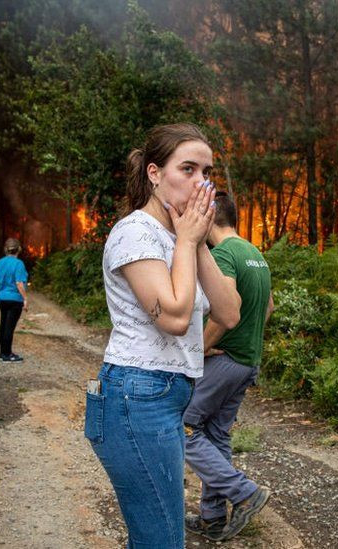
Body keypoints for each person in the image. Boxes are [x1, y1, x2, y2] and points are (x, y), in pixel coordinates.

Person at [84, 123, 241, 548]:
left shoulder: (181, 236)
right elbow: (172, 317)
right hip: (136, 395)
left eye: (205, 172)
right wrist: (187, 242)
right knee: (163, 541)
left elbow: (229, 312)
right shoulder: (135, 232)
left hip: (166, 395)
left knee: (156, 537)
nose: (200, 182)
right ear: (154, 173)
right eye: (187, 169)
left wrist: (196, 240)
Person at [183, 192, 274, 541]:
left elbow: (227, 308)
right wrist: (248, 340)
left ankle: (245, 493)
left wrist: (202, 347)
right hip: (249, 361)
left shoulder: (222, 254)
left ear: (209, 218)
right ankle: (213, 518)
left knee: (184, 426)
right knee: (217, 434)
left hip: (227, 361)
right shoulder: (254, 253)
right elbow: (267, 308)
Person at [0, 238, 29, 362]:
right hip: (15, 300)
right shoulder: (18, 264)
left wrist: (0, 295)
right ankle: (7, 355)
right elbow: (19, 283)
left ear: (6, 249)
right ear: (18, 249)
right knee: (9, 327)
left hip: (2, 298)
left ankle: (2, 353)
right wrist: (25, 298)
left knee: (3, 325)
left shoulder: (0, 262)